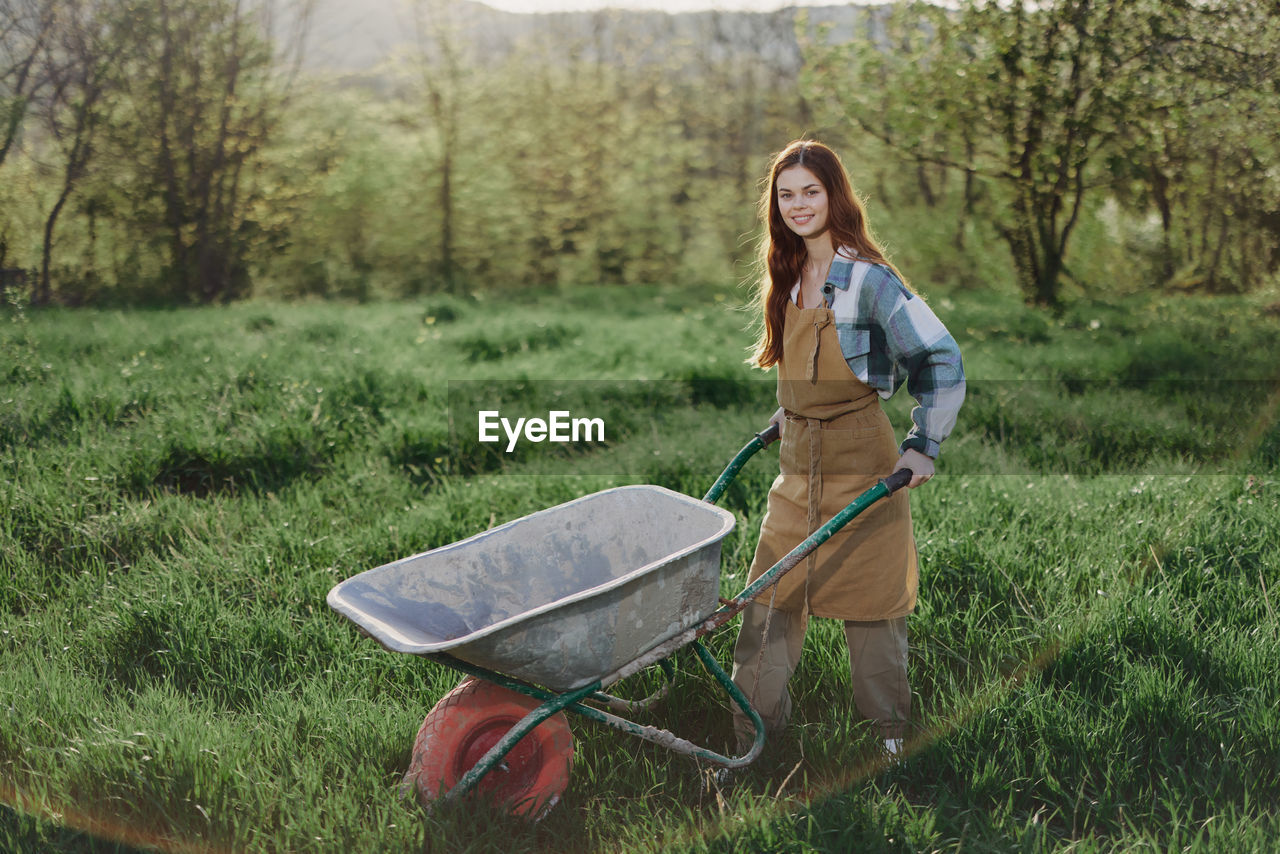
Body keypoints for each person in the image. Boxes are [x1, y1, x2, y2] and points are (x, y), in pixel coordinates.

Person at [731, 139, 965, 760]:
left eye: (811, 191)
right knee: (767, 601)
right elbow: (803, 361)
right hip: (796, 463)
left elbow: (938, 356)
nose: (798, 205)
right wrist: (793, 409)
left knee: (873, 606)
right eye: (786, 195)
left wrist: (923, 444)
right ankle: (753, 740)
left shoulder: (867, 278)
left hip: (863, 457)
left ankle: (889, 741)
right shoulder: (786, 273)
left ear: (835, 195)